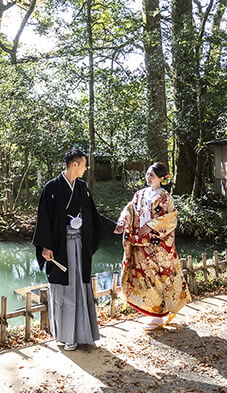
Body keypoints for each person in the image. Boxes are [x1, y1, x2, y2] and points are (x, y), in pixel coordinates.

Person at [33, 148, 115, 351]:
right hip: (60, 247)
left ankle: (84, 334)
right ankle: (67, 336)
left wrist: (115, 227)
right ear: (74, 164)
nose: (86, 169)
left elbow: (93, 217)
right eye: (84, 164)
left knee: (80, 286)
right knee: (65, 290)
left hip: (79, 244)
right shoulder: (51, 188)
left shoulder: (82, 188)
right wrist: (46, 246)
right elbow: (43, 218)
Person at [115, 161, 191, 332]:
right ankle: (155, 312)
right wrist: (122, 221)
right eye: (147, 174)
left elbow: (171, 219)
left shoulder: (165, 197)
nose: (148, 178)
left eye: (152, 175)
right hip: (140, 244)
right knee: (145, 278)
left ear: (162, 178)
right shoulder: (140, 194)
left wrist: (151, 226)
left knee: (159, 279)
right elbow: (129, 209)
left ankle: (160, 314)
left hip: (158, 246)